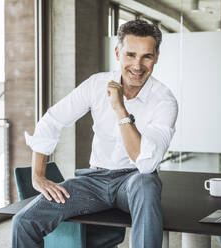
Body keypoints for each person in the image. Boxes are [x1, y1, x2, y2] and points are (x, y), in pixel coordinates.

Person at [12, 19, 178, 248]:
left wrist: (120, 109)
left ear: (156, 57)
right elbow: (52, 119)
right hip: (92, 181)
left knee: (146, 184)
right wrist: (38, 175)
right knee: (24, 221)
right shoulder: (96, 84)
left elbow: (147, 163)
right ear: (118, 52)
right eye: (130, 55)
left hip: (133, 181)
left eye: (146, 56)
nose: (137, 66)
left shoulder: (164, 101)